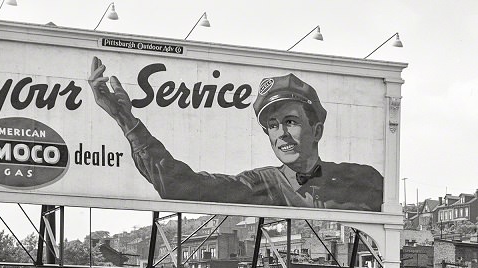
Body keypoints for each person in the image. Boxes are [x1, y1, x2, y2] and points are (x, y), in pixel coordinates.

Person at [88, 57, 383, 211]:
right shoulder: (261, 184)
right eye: (273, 125)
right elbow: (180, 186)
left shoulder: (363, 179)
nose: (282, 134)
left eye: (291, 122)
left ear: (316, 130)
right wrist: (124, 117)